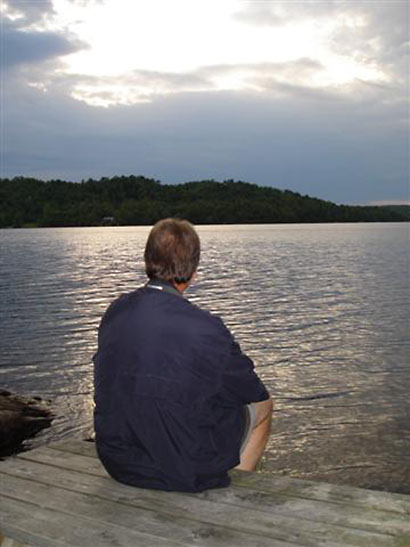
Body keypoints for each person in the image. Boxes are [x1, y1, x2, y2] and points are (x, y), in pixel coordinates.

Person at [93, 218, 272, 492]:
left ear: (147, 260)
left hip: (118, 463)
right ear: (194, 270)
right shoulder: (206, 328)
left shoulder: (115, 311)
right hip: (182, 472)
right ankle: (235, 498)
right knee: (264, 405)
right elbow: (251, 391)